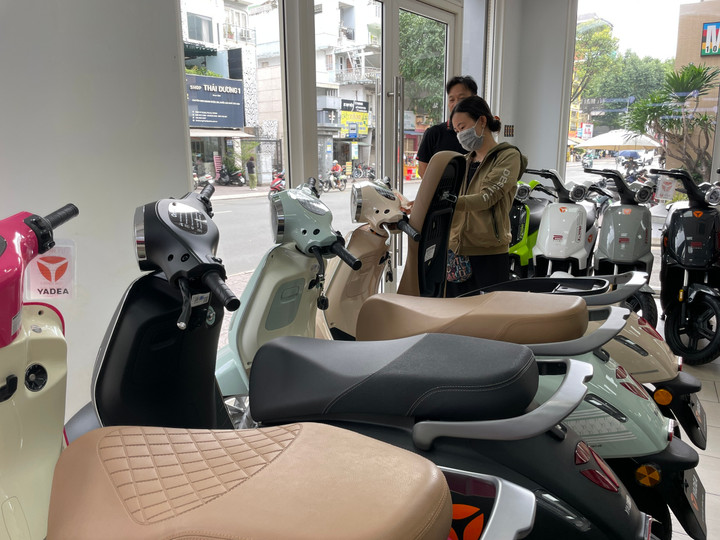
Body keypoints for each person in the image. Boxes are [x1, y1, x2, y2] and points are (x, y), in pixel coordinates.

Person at [444, 95, 527, 298]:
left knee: (488, 313)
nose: (460, 135)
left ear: (482, 121)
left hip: (489, 252)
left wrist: (447, 201)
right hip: (456, 251)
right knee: (454, 311)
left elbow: (486, 197)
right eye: (457, 131)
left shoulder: (508, 156)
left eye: (462, 127)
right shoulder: (463, 161)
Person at [416, 75, 478, 178]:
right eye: (452, 100)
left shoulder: (480, 133)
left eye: (462, 99)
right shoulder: (434, 133)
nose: (456, 104)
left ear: (475, 99)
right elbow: (423, 171)